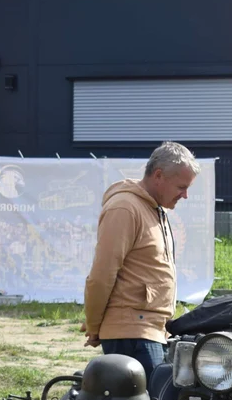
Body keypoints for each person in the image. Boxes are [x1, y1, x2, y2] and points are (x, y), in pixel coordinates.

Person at [82, 141, 200, 381]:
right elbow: (101, 275)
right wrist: (94, 326)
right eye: (181, 187)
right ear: (158, 176)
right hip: (134, 335)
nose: (185, 195)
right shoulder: (125, 208)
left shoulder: (154, 209)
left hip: (148, 332)